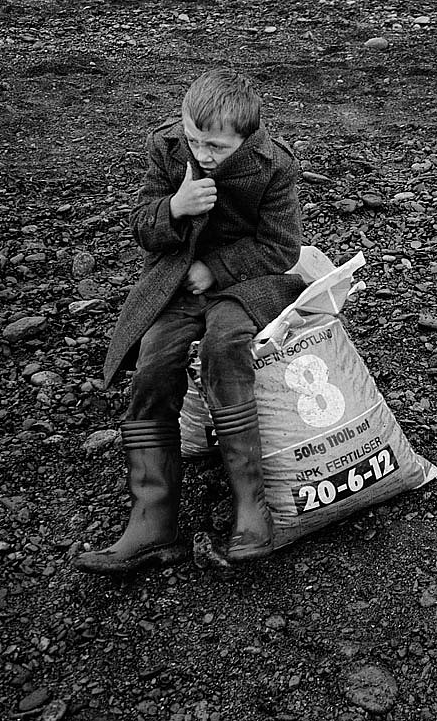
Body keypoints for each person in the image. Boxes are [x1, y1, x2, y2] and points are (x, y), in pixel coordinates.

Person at [76, 68, 306, 574]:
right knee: (155, 359)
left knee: (227, 344)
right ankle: (152, 522)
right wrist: (175, 208)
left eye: (218, 148)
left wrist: (216, 268)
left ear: (247, 137)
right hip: (176, 282)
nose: (203, 154)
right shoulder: (166, 148)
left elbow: (282, 247)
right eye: (195, 139)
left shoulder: (275, 165)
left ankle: (252, 506)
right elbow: (141, 225)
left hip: (247, 285)